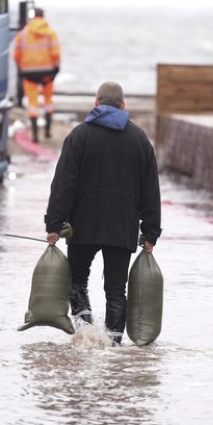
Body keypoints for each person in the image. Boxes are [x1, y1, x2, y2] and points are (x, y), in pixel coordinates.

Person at [44, 82, 162, 345]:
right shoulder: (140, 140)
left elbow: (64, 184)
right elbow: (151, 190)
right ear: (123, 106)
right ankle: (115, 347)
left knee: (76, 282)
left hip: (83, 225)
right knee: (116, 291)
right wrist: (151, 231)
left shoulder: (79, 136)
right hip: (122, 227)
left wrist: (54, 223)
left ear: (96, 103)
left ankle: (86, 334)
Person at [13, 8, 60, 143]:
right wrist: (56, 69)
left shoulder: (22, 34)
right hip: (48, 73)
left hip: (29, 73)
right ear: (43, 16)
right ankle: (47, 132)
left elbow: (16, 54)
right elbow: (56, 53)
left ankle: (34, 136)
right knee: (48, 101)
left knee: (33, 103)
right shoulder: (51, 33)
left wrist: (21, 68)